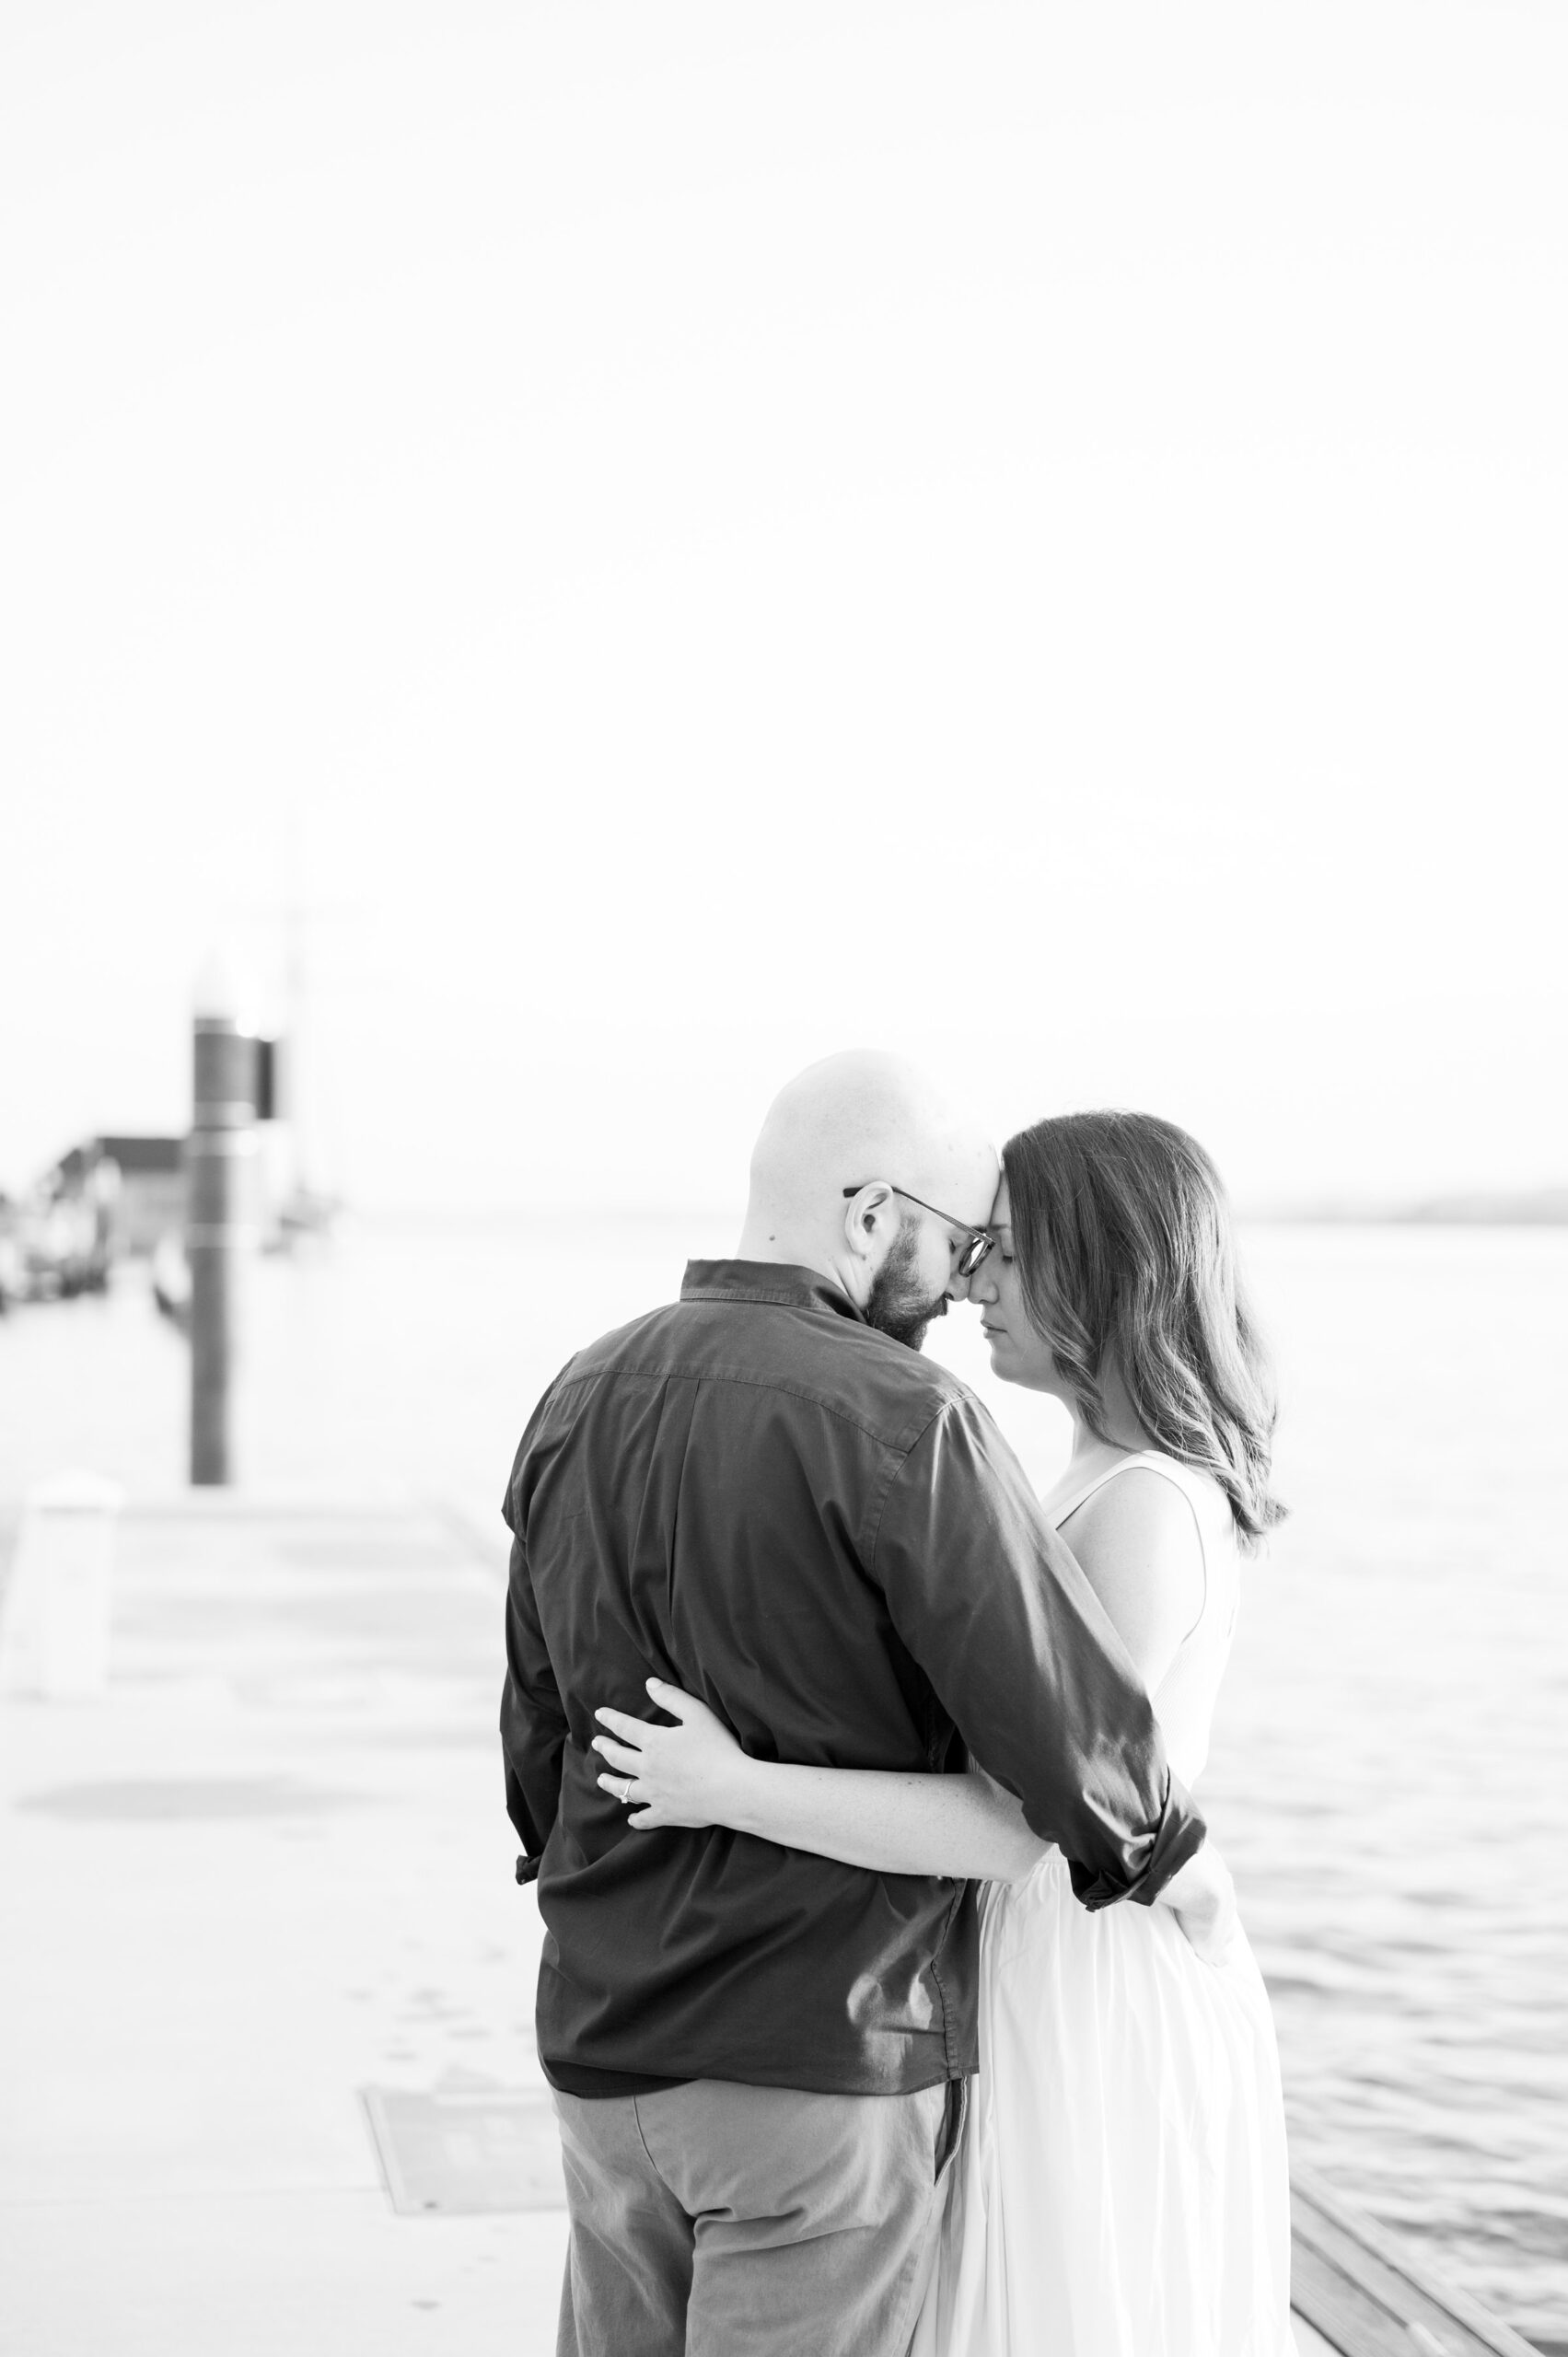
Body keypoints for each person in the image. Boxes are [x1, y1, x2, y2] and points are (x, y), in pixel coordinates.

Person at [501, 1056, 1237, 2357]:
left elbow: (536, 1727)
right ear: (869, 1214)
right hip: (815, 2062)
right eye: (957, 1244)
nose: (963, 1285)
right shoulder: (911, 1421)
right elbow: (1073, 1761)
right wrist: (1179, 1868)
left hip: (603, 2050)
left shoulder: (577, 1391)